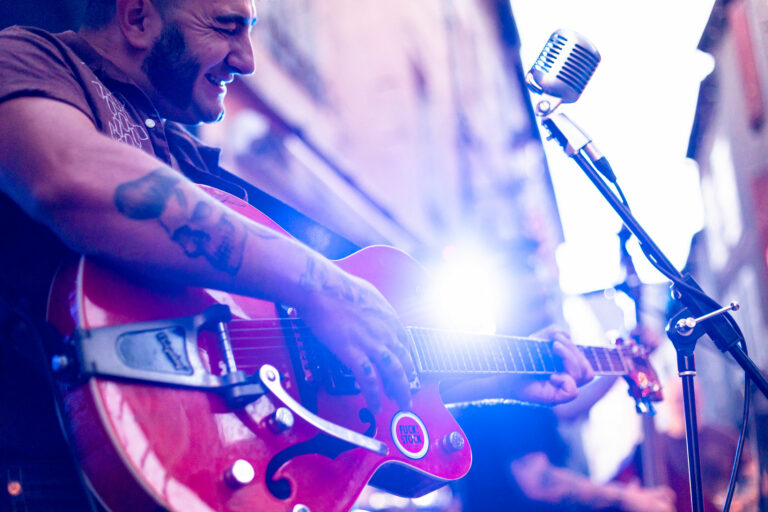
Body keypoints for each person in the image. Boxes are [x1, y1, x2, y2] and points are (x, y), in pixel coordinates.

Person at [0, 0, 595, 509]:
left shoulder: (182, 151)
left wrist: (495, 373)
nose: (247, 60)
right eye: (227, 26)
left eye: (251, 32)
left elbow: (296, 368)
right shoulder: (31, 59)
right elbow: (68, 175)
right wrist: (325, 286)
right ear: (136, 18)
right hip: (38, 467)